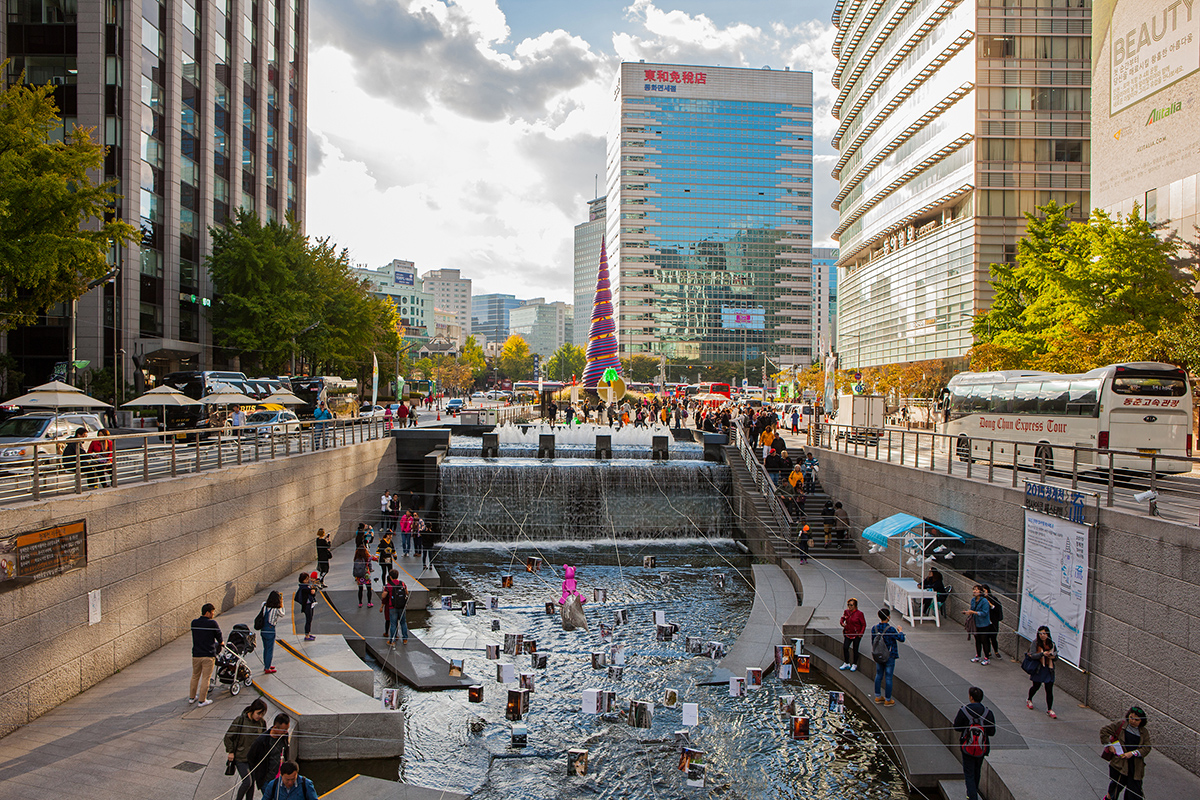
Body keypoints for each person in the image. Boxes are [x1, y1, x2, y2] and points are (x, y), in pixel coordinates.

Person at [953, 686, 997, 800]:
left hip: (967, 747)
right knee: (977, 771)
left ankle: (972, 796)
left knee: (969, 773)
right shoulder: (988, 713)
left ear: (971, 697)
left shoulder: (964, 711)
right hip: (981, 748)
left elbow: (956, 727)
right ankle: (973, 793)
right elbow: (992, 732)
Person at [1101, 707, 1152, 800]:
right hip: (1120, 763)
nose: (1133, 721)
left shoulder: (1144, 732)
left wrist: (1133, 753)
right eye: (1131, 717)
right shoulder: (1121, 725)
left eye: (1136, 720)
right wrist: (1109, 745)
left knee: (1135, 792)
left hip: (1135, 766)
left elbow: (1147, 747)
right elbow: (1104, 731)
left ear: (1142, 721)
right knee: (1115, 788)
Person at [224, 698, 267, 800]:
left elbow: (263, 739)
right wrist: (230, 751)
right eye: (258, 713)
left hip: (254, 759)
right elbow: (228, 737)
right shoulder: (240, 720)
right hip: (241, 757)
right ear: (252, 710)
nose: (260, 716)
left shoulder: (262, 723)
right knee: (247, 782)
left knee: (252, 784)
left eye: (262, 714)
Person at [248, 713, 292, 794]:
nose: (285, 732)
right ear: (275, 727)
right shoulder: (262, 741)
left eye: (287, 729)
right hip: (266, 779)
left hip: (280, 777)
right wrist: (258, 774)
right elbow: (251, 757)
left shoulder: (284, 736)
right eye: (283, 730)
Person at [189, 602, 223, 706]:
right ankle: (202, 700)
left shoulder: (194, 623)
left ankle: (191, 697)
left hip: (196, 654)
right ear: (207, 613)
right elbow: (219, 635)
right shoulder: (212, 623)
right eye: (212, 612)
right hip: (208, 655)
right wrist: (221, 642)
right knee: (205, 678)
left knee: (195, 676)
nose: (213, 614)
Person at [870, 607, 905, 706]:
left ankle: (877, 697)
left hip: (878, 655)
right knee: (888, 677)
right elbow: (901, 639)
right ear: (888, 617)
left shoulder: (874, 628)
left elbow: (873, 641)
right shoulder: (890, 629)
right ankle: (888, 699)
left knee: (879, 675)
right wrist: (900, 631)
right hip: (889, 656)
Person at [1026, 625, 1057, 718]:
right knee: (1036, 686)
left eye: (1044, 633)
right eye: (1040, 634)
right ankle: (1029, 699)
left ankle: (1049, 709)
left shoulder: (1052, 644)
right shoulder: (1035, 643)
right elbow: (1032, 655)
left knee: (1049, 689)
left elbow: (1056, 656)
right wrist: (1042, 654)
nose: (1042, 635)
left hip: (1049, 668)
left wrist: (1052, 656)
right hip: (1039, 668)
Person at [964, 584, 992, 665]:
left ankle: (986, 657)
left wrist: (974, 612)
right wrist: (968, 612)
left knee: (984, 640)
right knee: (977, 640)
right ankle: (978, 656)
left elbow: (985, 613)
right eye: (974, 590)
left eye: (976, 590)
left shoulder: (984, 601)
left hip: (983, 624)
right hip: (975, 623)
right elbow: (972, 609)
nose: (974, 591)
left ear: (980, 591)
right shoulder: (973, 600)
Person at [381, 569, 410, 646]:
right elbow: (406, 592)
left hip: (392, 607)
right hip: (402, 606)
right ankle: (405, 639)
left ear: (390, 577)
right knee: (403, 622)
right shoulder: (402, 583)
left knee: (393, 624)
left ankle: (392, 641)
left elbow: (383, 596)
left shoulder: (388, 585)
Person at [260, 591, 285, 674]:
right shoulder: (276, 609)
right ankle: (267, 667)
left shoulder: (264, 605)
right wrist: (282, 603)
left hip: (263, 629)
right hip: (270, 630)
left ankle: (266, 664)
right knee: (270, 649)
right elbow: (282, 614)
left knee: (265, 648)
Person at [838, 598, 866, 671]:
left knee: (855, 649)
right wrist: (842, 623)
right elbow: (842, 618)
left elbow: (863, 624)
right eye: (848, 605)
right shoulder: (846, 612)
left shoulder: (859, 614)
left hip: (856, 634)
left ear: (855, 606)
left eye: (851, 605)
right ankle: (846, 662)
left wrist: (860, 633)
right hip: (848, 632)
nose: (849, 607)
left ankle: (854, 664)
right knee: (845, 647)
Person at [981, 584, 1003, 658]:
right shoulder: (981, 600)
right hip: (985, 622)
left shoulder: (993, 599)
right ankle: (988, 651)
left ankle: (996, 651)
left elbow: (997, 609)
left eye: (984, 591)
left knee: (993, 637)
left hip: (993, 621)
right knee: (986, 637)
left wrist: (991, 605)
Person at [294, 573, 317, 642]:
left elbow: (313, 593)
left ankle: (308, 633)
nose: (308, 580)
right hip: (307, 605)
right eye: (307, 579)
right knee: (308, 619)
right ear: (303, 580)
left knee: (310, 619)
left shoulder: (307, 586)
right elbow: (309, 592)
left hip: (310, 604)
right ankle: (307, 635)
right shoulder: (303, 588)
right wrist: (312, 590)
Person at [353, 541, 374, 607]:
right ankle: (369, 602)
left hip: (359, 576)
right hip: (366, 575)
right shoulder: (367, 557)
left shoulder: (356, 558)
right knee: (369, 589)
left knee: (360, 589)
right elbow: (373, 559)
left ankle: (360, 603)